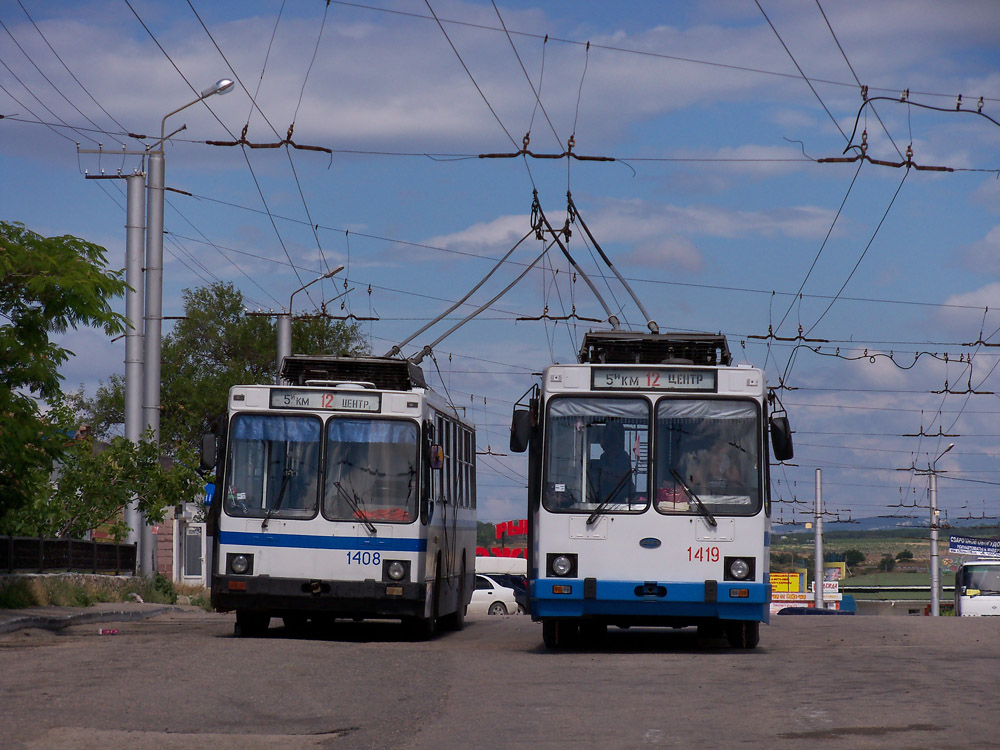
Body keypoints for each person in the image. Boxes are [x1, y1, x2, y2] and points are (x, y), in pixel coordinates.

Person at [587, 422, 634, 505]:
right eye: (604, 445)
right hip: (603, 497)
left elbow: (623, 478)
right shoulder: (603, 457)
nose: (605, 448)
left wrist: (606, 476)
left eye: (608, 445)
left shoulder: (623, 457)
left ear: (615, 444)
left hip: (622, 497)